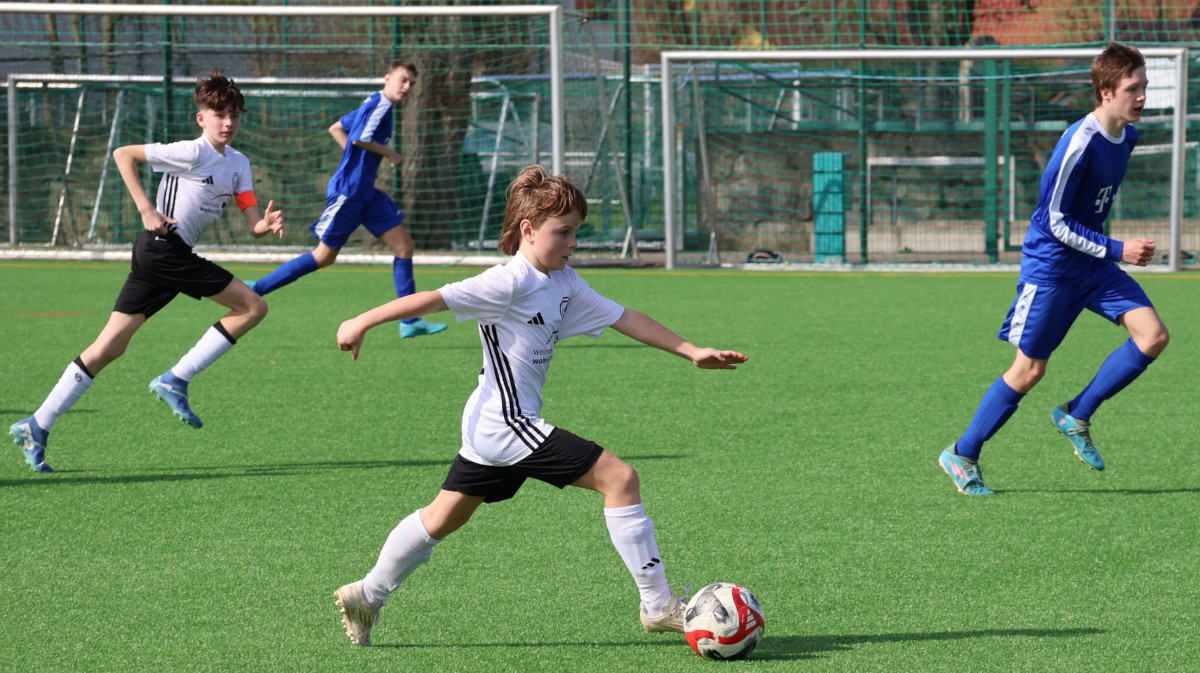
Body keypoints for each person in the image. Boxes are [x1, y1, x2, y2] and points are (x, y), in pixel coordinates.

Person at [330, 165, 748, 646]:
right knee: (621, 478)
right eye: (563, 233)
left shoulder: (565, 282)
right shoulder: (507, 283)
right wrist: (360, 321)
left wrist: (690, 350)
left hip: (490, 420)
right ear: (528, 231)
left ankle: (367, 594)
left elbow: (624, 317)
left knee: (443, 517)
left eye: (576, 233)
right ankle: (659, 605)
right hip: (508, 422)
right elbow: (433, 299)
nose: (573, 243)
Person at [8, 70, 285, 473]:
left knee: (110, 347)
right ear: (201, 118)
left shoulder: (239, 164)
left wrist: (266, 225)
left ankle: (37, 424)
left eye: (234, 115)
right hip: (163, 250)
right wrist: (145, 208)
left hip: (162, 255)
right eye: (219, 113)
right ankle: (177, 378)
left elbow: (251, 221)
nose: (227, 122)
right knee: (252, 308)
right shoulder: (192, 152)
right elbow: (124, 154)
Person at [939, 42, 1168, 495]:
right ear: (1105, 92)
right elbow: (1054, 222)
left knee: (1153, 336)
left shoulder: (1129, 136)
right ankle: (962, 453)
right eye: (1132, 88)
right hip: (1053, 270)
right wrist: (1118, 248)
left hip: (1093, 265)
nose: (1142, 96)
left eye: (1144, 87)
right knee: (1029, 371)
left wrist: (1106, 251)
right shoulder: (1078, 145)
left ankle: (1076, 414)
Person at [247, 58, 446, 340]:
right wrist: (389, 154)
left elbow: (337, 128)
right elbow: (359, 139)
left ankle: (411, 321)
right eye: (403, 80)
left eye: (412, 83)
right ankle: (257, 289)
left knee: (404, 246)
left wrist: (354, 161)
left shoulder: (375, 104)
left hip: (366, 193)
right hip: (349, 193)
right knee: (323, 257)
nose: (407, 86)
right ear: (387, 77)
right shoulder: (380, 105)